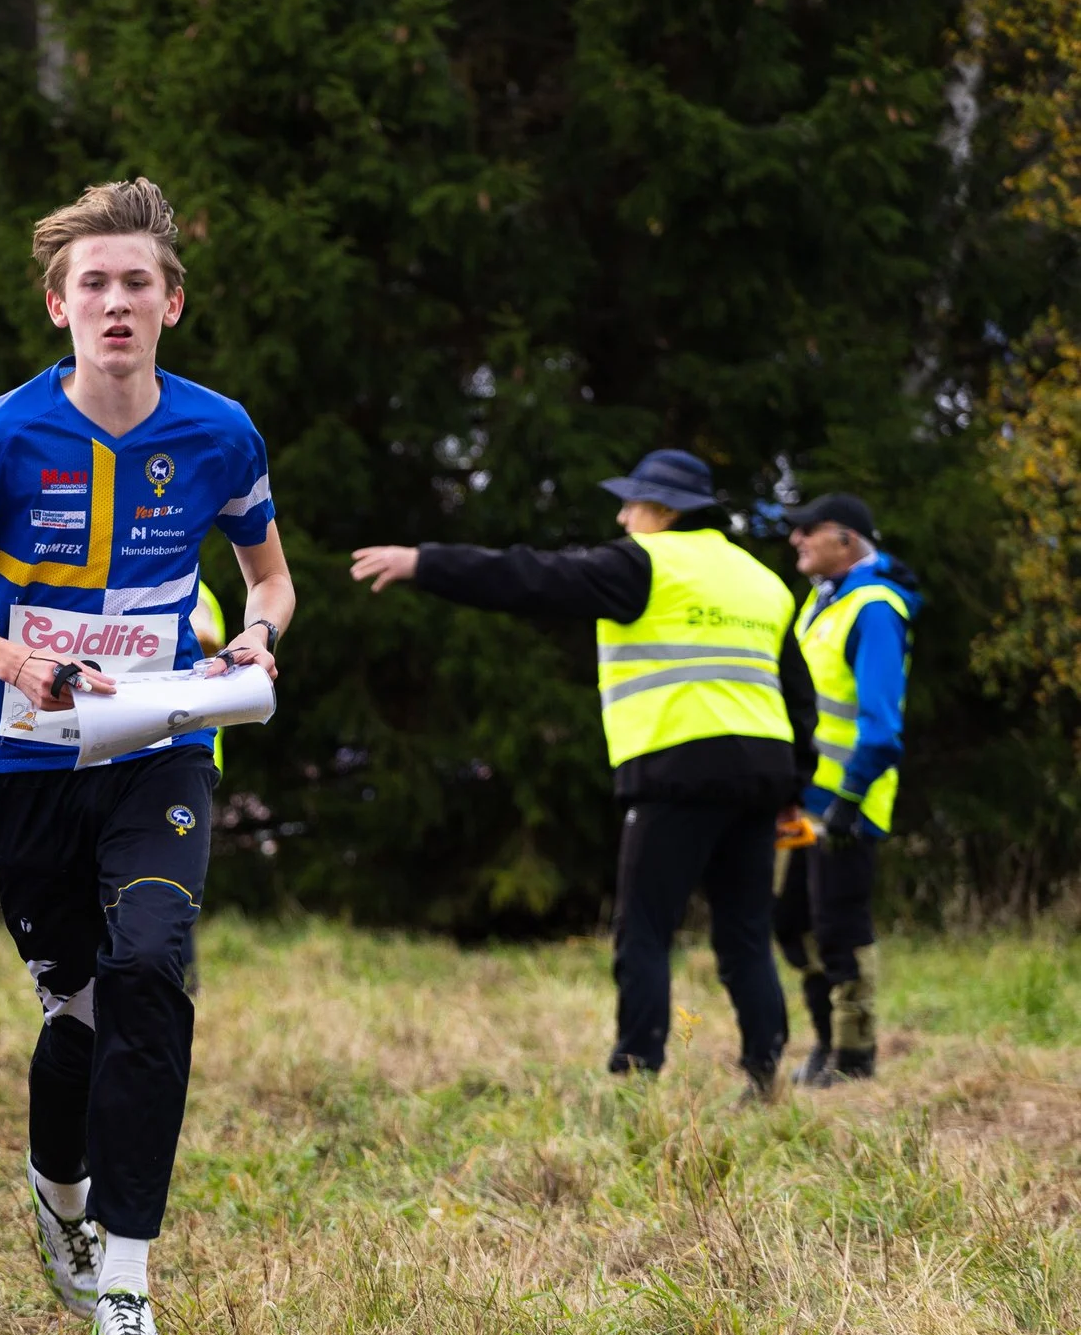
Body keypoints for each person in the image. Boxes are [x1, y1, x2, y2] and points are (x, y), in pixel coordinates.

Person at [0, 178, 294, 1335]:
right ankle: (55, 1193)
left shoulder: (222, 432)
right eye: (92, 284)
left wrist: (257, 636)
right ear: (59, 304)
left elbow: (270, 580)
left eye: (136, 282)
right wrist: (13, 653)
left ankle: (127, 1280)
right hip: (27, 757)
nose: (114, 301)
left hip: (164, 737)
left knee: (152, 968)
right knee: (75, 1007)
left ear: (171, 302)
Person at [350, 449, 816, 1095]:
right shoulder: (762, 581)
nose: (622, 516)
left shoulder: (645, 563)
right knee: (746, 934)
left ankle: (636, 1078)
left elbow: (530, 576)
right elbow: (799, 694)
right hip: (762, 773)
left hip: (677, 766)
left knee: (645, 929)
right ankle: (766, 1074)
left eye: (633, 503)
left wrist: (425, 562)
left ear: (668, 510)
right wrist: (795, 786)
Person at [779, 492, 919, 1086]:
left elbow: (883, 728)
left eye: (808, 530)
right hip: (801, 801)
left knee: (840, 927)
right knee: (791, 925)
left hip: (848, 805)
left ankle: (855, 1059)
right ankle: (823, 1044)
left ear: (847, 539)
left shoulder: (875, 611)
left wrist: (849, 800)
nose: (796, 540)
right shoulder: (819, 605)